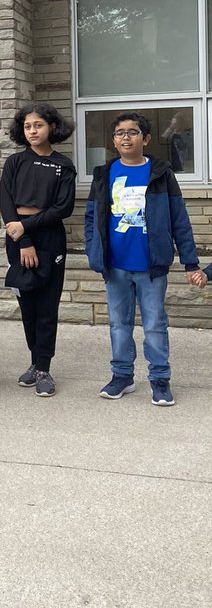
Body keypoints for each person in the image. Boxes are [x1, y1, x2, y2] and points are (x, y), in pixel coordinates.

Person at [84, 111, 200, 407]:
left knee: (154, 325)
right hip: (116, 266)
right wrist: (93, 250)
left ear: (145, 139)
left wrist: (190, 262)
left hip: (151, 266)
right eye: (120, 132)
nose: (126, 137)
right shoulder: (104, 174)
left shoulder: (161, 174)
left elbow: (179, 219)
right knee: (118, 324)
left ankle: (160, 379)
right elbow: (91, 217)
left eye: (133, 132)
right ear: (113, 140)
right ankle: (122, 375)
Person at [0, 103, 77, 398]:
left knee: (47, 307)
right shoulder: (15, 162)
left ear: (52, 128)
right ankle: (34, 360)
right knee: (28, 306)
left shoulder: (63, 165)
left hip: (50, 240)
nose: (32, 131)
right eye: (28, 126)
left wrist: (28, 228)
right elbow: (7, 205)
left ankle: (44, 368)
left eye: (38, 125)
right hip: (18, 240)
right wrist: (23, 240)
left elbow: (63, 208)